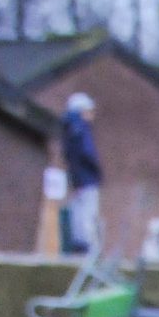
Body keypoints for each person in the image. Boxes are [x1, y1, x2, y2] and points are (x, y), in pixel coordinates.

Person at [60, 92, 103, 255]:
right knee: (88, 212)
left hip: (77, 178)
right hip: (87, 178)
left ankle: (79, 245)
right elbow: (87, 152)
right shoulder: (81, 128)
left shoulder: (69, 128)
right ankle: (89, 249)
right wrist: (95, 169)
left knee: (78, 212)